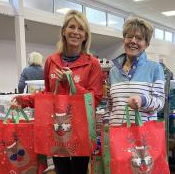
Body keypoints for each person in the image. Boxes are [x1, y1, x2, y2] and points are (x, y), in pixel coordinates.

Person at [12, 10, 103, 174]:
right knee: (61, 170)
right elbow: (48, 96)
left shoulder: (93, 63)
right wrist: (23, 100)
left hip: (81, 130)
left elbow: (94, 99)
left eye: (80, 29)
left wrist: (70, 85)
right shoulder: (51, 61)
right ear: (64, 31)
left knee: (79, 171)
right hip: (57, 129)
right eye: (72, 27)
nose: (75, 32)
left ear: (85, 36)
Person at [103, 17, 165, 126]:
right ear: (124, 40)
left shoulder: (155, 68)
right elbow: (110, 105)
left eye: (139, 38)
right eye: (129, 36)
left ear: (146, 44)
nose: (133, 41)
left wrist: (143, 101)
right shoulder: (113, 71)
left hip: (143, 138)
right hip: (117, 137)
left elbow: (160, 102)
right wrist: (106, 124)